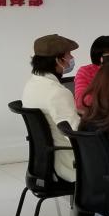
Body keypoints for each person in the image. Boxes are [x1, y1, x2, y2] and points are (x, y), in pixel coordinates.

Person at [21, 34, 80, 183]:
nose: (72, 58)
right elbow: (79, 137)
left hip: (46, 163)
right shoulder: (58, 93)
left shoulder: (31, 85)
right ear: (58, 60)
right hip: (69, 165)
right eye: (69, 54)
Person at [74, 35, 109, 113]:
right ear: (99, 56)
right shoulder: (85, 71)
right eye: (108, 53)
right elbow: (80, 101)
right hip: (97, 117)